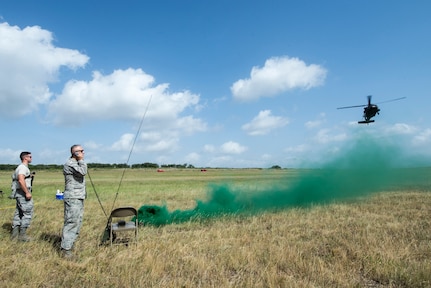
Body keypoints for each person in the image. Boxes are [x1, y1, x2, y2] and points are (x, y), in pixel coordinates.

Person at [60, 145, 87, 258]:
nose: (83, 152)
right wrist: (81, 160)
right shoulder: (70, 164)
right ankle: (66, 250)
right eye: (81, 151)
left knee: (77, 221)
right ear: (75, 153)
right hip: (73, 197)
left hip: (78, 196)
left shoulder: (76, 163)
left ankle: (70, 245)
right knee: (72, 222)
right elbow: (83, 172)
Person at [10, 151, 34, 242]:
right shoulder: (22, 168)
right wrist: (27, 192)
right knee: (27, 213)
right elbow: (20, 180)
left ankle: (14, 235)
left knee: (19, 213)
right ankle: (22, 236)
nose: (31, 158)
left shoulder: (22, 168)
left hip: (19, 193)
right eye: (30, 157)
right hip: (23, 194)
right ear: (25, 158)